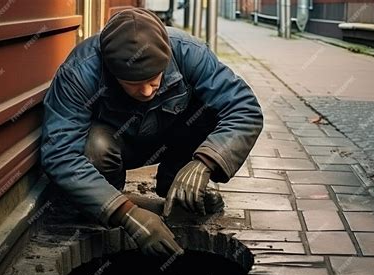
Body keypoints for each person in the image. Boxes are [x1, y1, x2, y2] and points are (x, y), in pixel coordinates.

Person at [41, 8, 263, 257]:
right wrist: (127, 215)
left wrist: (205, 163)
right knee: (95, 147)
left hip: (172, 137)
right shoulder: (79, 72)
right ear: (113, 73)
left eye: (154, 79)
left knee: (210, 112)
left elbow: (245, 108)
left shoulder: (188, 52)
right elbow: (60, 154)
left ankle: (177, 193)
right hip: (118, 144)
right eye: (134, 84)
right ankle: (114, 201)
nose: (147, 91)